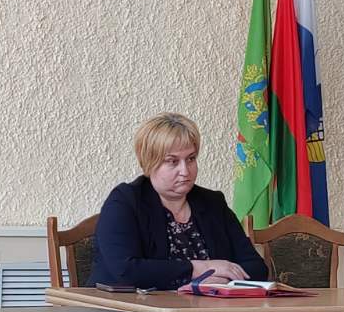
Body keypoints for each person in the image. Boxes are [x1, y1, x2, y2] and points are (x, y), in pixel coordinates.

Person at [90, 113, 270, 290]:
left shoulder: (213, 203)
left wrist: (218, 281)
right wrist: (200, 269)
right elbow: (127, 270)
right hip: (128, 307)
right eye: (172, 161)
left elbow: (257, 268)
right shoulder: (125, 202)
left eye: (191, 159)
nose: (185, 171)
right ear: (150, 162)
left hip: (205, 307)